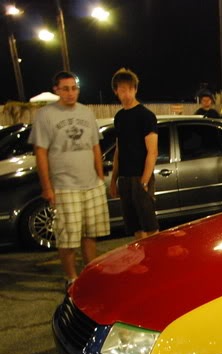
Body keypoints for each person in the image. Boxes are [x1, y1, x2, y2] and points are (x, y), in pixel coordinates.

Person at [29, 71, 110, 288]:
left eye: (74, 88)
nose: (70, 93)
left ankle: (90, 274)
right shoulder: (46, 115)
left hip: (91, 184)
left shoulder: (86, 112)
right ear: (56, 90)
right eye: (65, 88)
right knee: (68, 237)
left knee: (90, 234)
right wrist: (48, 187)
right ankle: (71, 278)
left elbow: (95, 147)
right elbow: (41, 153)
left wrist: (100, 178)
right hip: (65, 186)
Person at [110, 68, 159, 240]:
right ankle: (142, 260)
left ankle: (155, 261)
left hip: (140, 175)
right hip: (124, 177)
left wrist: (144, 181)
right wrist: (114, 179)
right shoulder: (119, 117)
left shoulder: (146, 116)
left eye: (130, 88)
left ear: (136, 89)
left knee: (149, 224)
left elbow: (152, 151)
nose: (127, 93)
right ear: (116, 91)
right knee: (135, 226)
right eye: (122, 89)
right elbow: (119, 148)